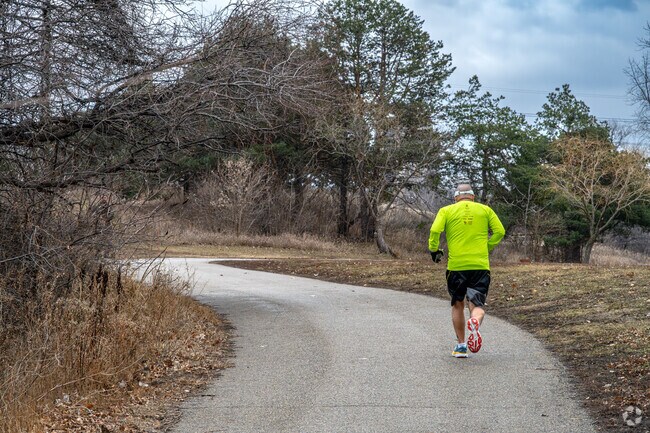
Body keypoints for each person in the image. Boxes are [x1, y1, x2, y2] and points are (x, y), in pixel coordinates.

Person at [428, 183, 505, 358]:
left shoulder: (446, 211)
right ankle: (475, 321)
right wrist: (487, 245)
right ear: (473, 196)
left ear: (456, 197)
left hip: (456, 267)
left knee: (457, 304)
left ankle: (461, 346)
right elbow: (500, 231)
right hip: (480, 266)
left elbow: (434, 230)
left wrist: (434, 249)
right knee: (476, 304)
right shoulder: (485, 210)